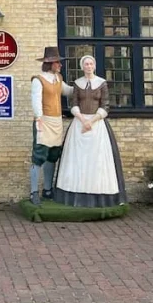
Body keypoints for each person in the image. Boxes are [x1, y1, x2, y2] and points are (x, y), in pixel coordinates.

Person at [53, 54, 127, 207]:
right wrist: (82, 119)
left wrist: (91, 121)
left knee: (97, 160)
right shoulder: (77, 83)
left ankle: (99, 196)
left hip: (97, 124)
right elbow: (73, 103)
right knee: (77, 160)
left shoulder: (102, 83)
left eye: (91, 64)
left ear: (94, 66)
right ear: (82, 66)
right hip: (79, 123)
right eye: (86, 64)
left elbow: (105, 105)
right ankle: (75, 194)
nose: (88, 66)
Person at [29, 47, 72, 206]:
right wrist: (38, 117)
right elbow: (36, 100)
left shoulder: (58, 78)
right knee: (39, 155)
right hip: (44, 121)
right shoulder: (38, 79)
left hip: (56, 122)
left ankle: (47, 190)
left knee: (53, 154)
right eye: (57, 62)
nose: (60, 65)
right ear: (49, 63)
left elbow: (68, 91)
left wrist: (85, 87)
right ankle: (34, 192)